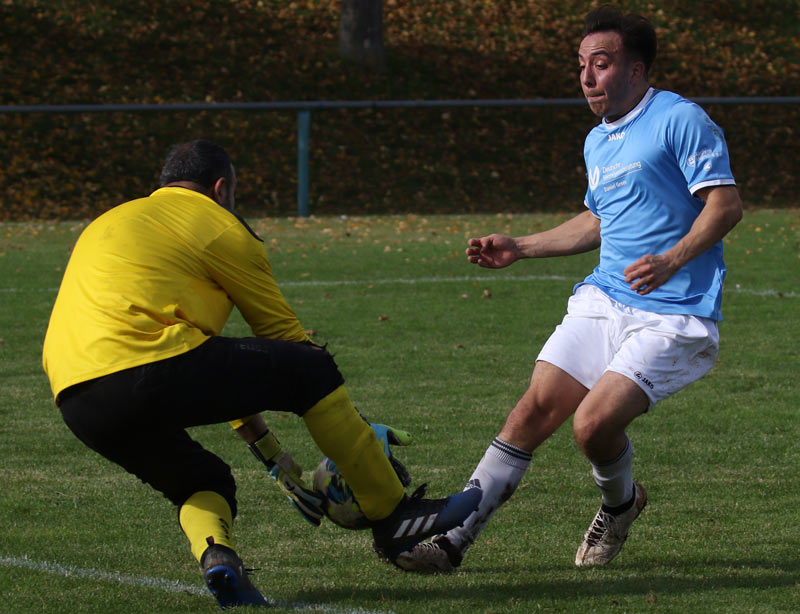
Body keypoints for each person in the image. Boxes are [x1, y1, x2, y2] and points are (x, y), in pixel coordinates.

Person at [42, 140, 482, 608]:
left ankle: (218, 558)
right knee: (312, 366)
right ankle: (393, 516)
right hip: (147, 364)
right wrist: (358, 439)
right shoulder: (218, 224)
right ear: (221, 188)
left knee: (201, 480)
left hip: (75, 395)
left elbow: (217, 369)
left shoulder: (109, 220)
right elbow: (286, 342)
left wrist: (275, 460)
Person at [394, 5, 743, 573]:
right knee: (532, 410)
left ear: (636, 70)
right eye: (581, 65)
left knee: (592, 426)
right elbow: (599, 220)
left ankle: (620, 505)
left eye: (600, 64)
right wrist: (521, 246)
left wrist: (672, 259)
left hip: (673, 313)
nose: (586, 77)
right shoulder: (597, 140)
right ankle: (452, 541)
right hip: (604, 299)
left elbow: (725, 205)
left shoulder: (680, 119)